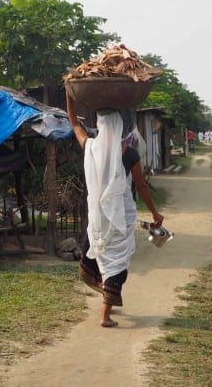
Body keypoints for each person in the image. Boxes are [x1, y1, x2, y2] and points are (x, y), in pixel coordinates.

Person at [66, 92, 165, 328]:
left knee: (102, 256)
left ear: (100, 124)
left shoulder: (90, 147)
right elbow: (141, 187)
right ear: (119, 124)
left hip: (98, 217)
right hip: (120, 218)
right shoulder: (129, 153)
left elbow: (73, 122)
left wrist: (69, 94)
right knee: (117, 263)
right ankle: (105, 315)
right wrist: (155, 214)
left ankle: (105, 304)